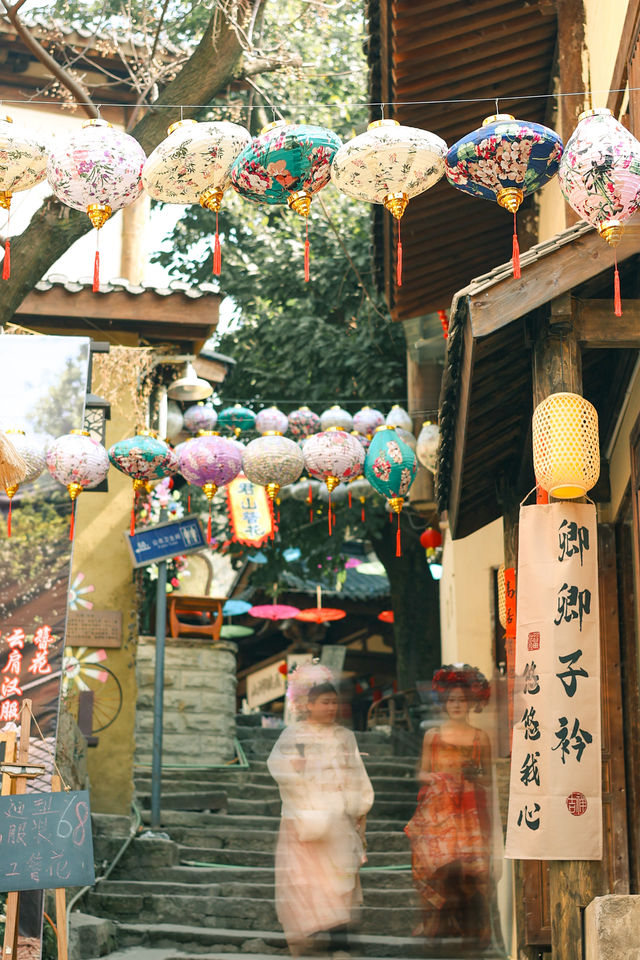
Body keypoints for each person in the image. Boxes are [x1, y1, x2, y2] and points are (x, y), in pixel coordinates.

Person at [267, 662, 374, 959]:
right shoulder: (295, 735)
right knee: (307, 886)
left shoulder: (344, 737)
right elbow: (279, 767)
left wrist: (358, 810)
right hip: (306, 824)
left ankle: (340, 944)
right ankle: (311, 943)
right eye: (324, 702)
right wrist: (299, 781)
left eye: (333, 703)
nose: (330, 708)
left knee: (340, 885)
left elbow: (356, 775)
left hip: (338, 822)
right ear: (309, 704)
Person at [405, 663, 494, 945]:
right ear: (445, 703)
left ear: (471, 703)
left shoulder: (481, 738)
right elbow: (421, 772)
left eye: (462, 700)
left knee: (468, 868)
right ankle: (439, 926)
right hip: (440, 810)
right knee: (440, 865)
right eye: (452, 700)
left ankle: (471, 929)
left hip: (469, 810)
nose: (457, 705)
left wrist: (473, 777)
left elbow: (489, 778)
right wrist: (436, 778)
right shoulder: (433, 736)